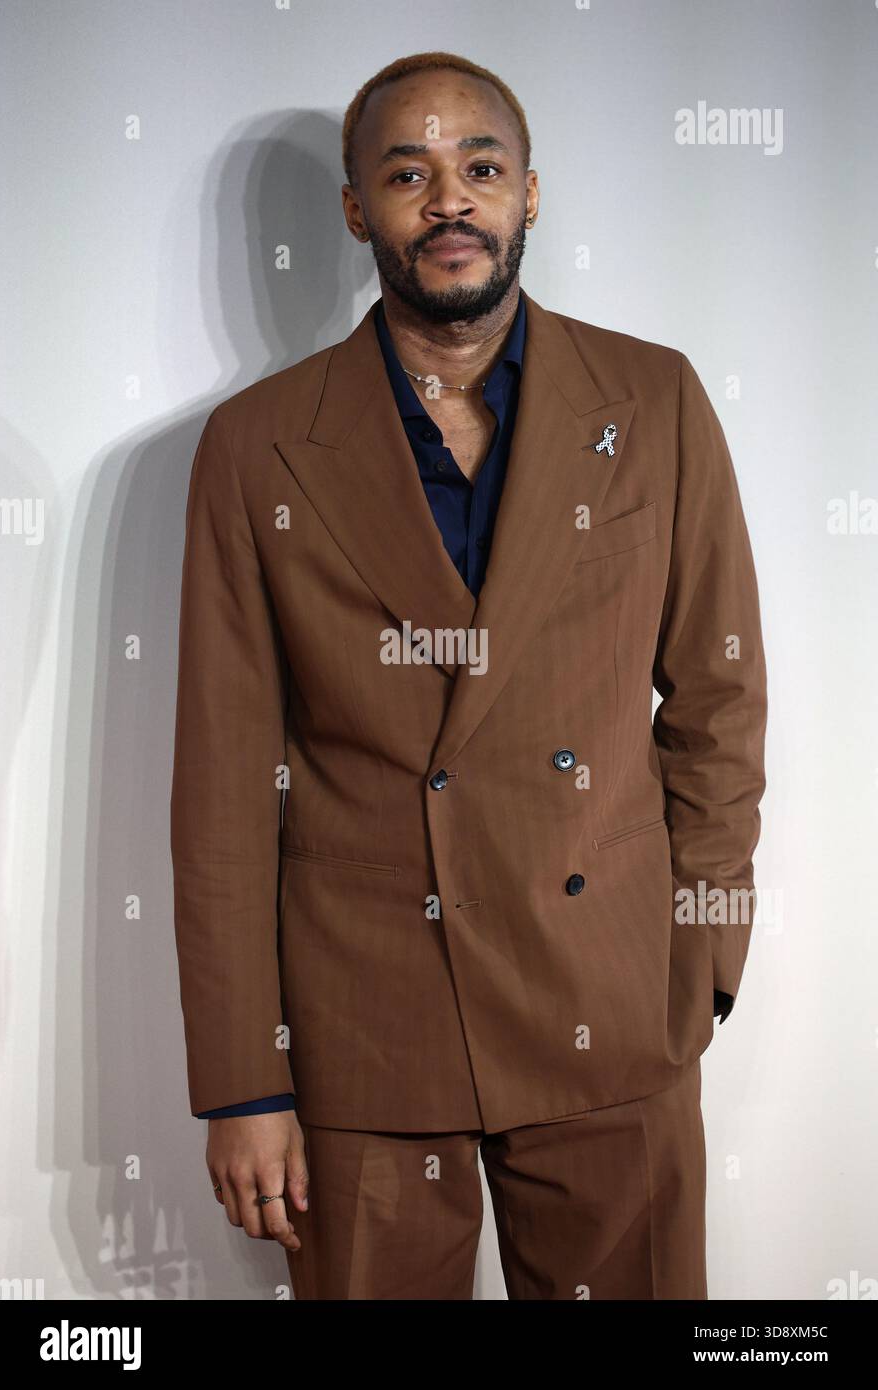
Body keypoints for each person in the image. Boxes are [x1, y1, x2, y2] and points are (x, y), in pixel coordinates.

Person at [170, 50, 768, 1300]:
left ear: (530, 195)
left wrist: (700, 960)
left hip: (607, 1002)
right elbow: (223, 778)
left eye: (480, 168)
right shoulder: (254, 446)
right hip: (364, 1029)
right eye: (408, 173)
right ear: (355, 210)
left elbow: (717, 698)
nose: (451, 200)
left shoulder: (653, 402)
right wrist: (243, 1075)